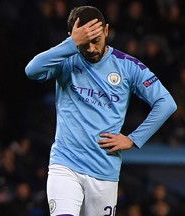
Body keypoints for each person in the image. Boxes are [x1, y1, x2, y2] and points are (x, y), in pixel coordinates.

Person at [25, 6, 177, 216]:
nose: (92, 48)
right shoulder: (66, 60)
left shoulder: (127, 66)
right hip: (65, 163)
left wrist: (133, 139)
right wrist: (71, 44)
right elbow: (31, 70)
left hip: (104, 170)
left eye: (96, 40)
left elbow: (166, 103)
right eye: (84, 42)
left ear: (106, 31)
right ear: (73, 37)